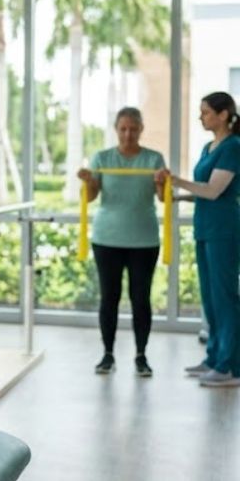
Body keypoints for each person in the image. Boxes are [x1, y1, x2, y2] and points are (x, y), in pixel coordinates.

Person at [157, 92, 240, 387]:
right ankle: (214, 357)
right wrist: (178, 195)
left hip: (224, 231)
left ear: (222, 114)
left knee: (225, 297)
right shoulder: (209, 147)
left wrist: (176, 180)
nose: (201, 117)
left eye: (205, 112)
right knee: (210, 298)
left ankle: (230, 366)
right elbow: (204, 190)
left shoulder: (233, 147)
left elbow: (215, 191)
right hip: (205, 228)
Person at [77, 107, 165, 377]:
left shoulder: (153, 158)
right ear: (116, 130)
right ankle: (108, 354)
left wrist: (163, 182)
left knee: (141, 299)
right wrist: (89, 180)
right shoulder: (102, 157)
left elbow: (162, 197)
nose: (128, 134)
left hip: (144, 239)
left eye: (133, 129)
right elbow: (91, 196)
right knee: (109, 298)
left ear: (141, 129)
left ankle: (141, 355)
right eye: (123, 129)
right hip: (108, 238)